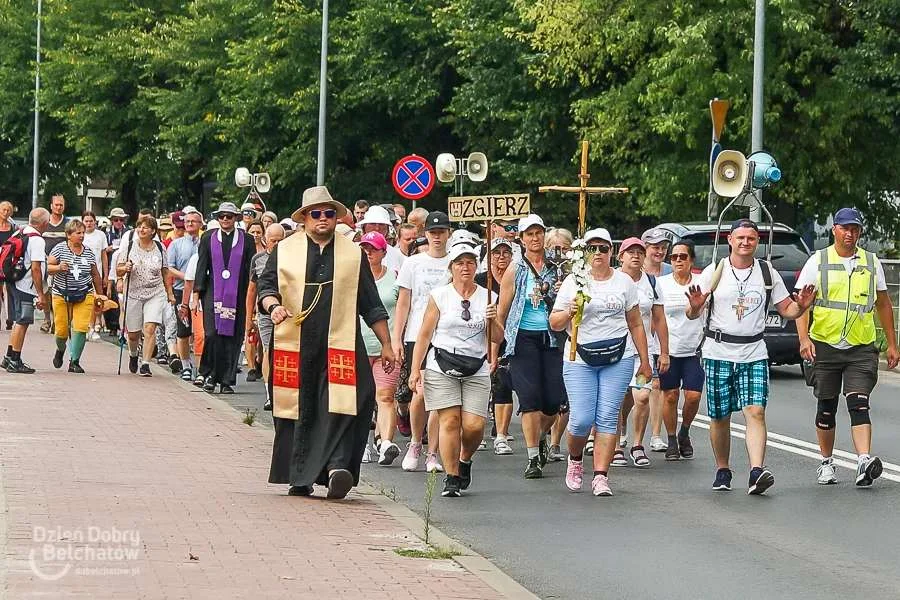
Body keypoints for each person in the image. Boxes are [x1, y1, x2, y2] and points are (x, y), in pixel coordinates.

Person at [259, 186, 394, 500]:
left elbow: (371, 304)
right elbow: (267, 286)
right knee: (297, 407)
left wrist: (387, 344)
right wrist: (272, 305)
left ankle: (337, 467)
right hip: (294, 342)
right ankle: (300, 476)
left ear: (336, 217)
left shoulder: (353, 254)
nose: (323, 219)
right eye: (316, 213)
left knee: (357, 396)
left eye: (329, 213)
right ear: (305, 218)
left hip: (340, 341)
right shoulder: (285, 250)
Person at [686, 218, 816, 494]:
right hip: (718, 350)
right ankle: (723, 469)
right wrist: (696, 307)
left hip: (754, 350)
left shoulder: (767, 273)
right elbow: (692, 312)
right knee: (720, 416)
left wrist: (802, 306)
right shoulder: (714, 271)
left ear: (757, 242)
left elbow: (787, 310)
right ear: (730, 240)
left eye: (752, 239)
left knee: (755, 411)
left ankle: (757, 471)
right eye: (741, 238)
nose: (746, 243)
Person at [795, 208, 899, 487]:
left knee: (858, 402)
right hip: (825, 344)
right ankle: (826, 462)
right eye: (845, 228)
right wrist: (804, 339)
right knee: (826, 407)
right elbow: (802, 305)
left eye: (855, 229)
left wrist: (892, 344)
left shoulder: (870, 262)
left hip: (860, 346)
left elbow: (883, 303)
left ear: (860, 232)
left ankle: (863, 460)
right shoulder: (818, 261)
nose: (850, 234)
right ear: (835, 230)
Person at [550, 227, 652, 496]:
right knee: (582, 419)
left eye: (603, 248)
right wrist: (569, 311)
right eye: (592, 248)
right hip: (580, 356)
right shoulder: (575, 282)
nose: (598, 253)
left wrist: (645, 360)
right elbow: (555, 322)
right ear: (584, 253)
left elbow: (636, 323)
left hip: (618, 356)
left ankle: (600, 476)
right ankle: (575, 459)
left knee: (608, 417)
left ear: (611, 252)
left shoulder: (624, 283)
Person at [409, 243, 504, 497]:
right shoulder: (440, 296)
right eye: (460, 263)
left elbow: (497, 337)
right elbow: (425, 334)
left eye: (470, 262)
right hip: (442, 364)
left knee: (473, 426)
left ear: (477, 266)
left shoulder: (488, 297)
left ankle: (464, 459)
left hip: (476, 366)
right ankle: (451, 477)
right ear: (451, 267)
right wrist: (415, 369)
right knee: (450, 421)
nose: (465, 267)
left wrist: (493, 319)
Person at [497, 214, 567, 479]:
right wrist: (498, 345)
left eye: (538, 233)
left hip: (552, 337)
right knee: (529, 399)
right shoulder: (516, 270)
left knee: (552, 401)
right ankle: (532, 457)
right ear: (522, 238)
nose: (535, 238)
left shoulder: (558, 266)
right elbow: (503, 311)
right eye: (529, 234)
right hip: (524, 337)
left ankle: (540, 438)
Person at [393, 212, 453, 473]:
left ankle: (432, 452)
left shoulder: (456, 261)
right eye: (432, 232)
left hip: (446, 337)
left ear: (448, 233)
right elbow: (404, 301)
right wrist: (396, 337)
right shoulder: (413, 263)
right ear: (425, 234)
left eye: (441, 232)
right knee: (418, 393)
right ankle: (416, 442)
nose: (437, 237)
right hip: (417, 334)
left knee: (438, 398)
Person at [614, 237, 669, 469]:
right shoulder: (612, 279)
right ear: (621, 256)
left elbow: (659, 318)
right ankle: (615, 446)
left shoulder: (652, 284)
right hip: (615, 350)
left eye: (639, 252)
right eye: (630, 252)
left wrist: (664, 352)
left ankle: (637, 444)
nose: (635, 256)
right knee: (617, 400)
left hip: (642, 352)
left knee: (642, 397)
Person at [193, 202, 256, 394]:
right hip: (213, 293)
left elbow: (251, 270)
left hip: (237, 293)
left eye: (229, 216)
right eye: (222, 216)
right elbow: (202, 267)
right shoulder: (207, 238)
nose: (225, 219)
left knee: (232, 337)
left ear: (236, 217)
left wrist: (253, 297)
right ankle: (209, 373)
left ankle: (226, 380)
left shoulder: (247, 240)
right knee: (212, 334)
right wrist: (196, 295)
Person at [657, 240, 705, 460]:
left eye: (682, 257)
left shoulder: (700, 283)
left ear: (691, 260)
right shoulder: (661, 284)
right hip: (668, 349)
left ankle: (684, 431)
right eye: (674, 257)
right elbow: (656, 318)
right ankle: (671, 440)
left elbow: (698, 312)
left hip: (694, 349)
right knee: (670, 396)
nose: (677, 260)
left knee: (693, 396)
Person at [358, 232, 402, 466]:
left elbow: (403, 312)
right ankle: (361, 444)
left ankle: (385, 443)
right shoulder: (352, 278)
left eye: (373, 249)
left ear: (384, 252)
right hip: (359, 345)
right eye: (365, 248)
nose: (368, 253)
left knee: (385, 396)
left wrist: (397, 342)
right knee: (361, 398)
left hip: (386, 348)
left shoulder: (394, 278)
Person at [116, 215, 176, 377]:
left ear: (153, 231)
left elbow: (165, 271)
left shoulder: (160, 247)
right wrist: (125, 269)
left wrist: (169, 293)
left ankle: (146, 363)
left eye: (146, 227)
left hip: (155, 292)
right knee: (134, 333)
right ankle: (134, 354)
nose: (141, 229)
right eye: (139, 226)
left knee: (150, 328)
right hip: (134, 292)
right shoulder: (129, 247)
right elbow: (118, 270)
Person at [46, 220, 105, 373]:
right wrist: (58, 267)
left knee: (80, 328)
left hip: (84, 293)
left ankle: (75, 361)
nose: (81, 236)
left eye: (83, 233)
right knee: (61, 331)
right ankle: (60, 349)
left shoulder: (88, 252)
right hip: (61, 294)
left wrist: (100, 295)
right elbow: (48, 267)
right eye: (78, 233)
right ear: (68, 235)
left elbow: (95, 275)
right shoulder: (59, 249)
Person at [476, 238, 515, 455]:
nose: (501, 257)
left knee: (503, 383)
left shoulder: (515, 279)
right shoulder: (481, 280)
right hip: (482, 337)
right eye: (496, 253)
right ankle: (478, 432)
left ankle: (501, 434)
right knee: (481, 385)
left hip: (509, 336)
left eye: (505, 252)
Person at [2, 208, 49, 373]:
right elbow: (36, 268)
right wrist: (41, 294)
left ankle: (9, 357)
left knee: (18, 321)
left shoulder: (20, 232)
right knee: (23, 322)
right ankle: (15, 360)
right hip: (25, 286)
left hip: (13, 282)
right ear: (44, 223)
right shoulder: (37, 240)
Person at [244, 223, 285, 411]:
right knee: (269, 349)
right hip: (265, 313)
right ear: (265, 240)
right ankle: (270, 393)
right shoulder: (258, 259)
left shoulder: (292, 257)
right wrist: (248, 319)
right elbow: (252, 290)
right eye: (273, 240)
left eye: (280, 240)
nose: (276, 244)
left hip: (287, 311)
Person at [641, 227, 673, 452]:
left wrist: (664, 348)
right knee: (629, 394)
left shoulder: (670, 271)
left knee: (657, 385)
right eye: (655, 247)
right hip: (636, 338)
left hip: (663, 338)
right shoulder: (633, 270)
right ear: (645, 249)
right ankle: (620, 430)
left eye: (663, 247)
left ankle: (655, 435)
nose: (659, 251)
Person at [544, 227, 574, 461]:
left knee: (566, 395)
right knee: (549, 394)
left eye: (564, 249)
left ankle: (555, 442)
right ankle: (542, 433)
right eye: (554, 249)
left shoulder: (577, 273)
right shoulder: (542, 270)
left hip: (567, 336)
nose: (559, 254)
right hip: (544, 335)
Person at [168, 210, 203, 380]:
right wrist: (187, 276)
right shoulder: (176, 244)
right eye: (187, 221)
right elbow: (169, 268)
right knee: (183, 330)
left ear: (200, 224)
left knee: (200, 332)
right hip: (181, 290)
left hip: (201, 291)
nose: (190, 224)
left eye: (193, 221)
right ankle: (185, 365)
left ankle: (200, 366)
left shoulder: (205, 243)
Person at [39, 194, 68, 334]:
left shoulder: (67, 224)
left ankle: (57, 321)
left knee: (58, 292)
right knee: (45, 291)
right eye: (56, 204)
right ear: (51, 206)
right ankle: (46, 320)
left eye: (61, 204)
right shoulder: (44, 223)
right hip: (44, 261)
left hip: (61, 263)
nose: (58, 207)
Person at [81, 212, 108, 340]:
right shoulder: (81, 235)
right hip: (82, 273)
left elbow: (104, 256)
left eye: (91, 221)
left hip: (97, 272)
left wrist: (106, 275)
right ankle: (87, 326)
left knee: (97, 299)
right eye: (86, 221)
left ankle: (95, 323)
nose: (89, 223)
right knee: (86, 299)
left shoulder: (101, 235)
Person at [357, 206, 405, 273]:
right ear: (364, 226)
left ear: (387, 228)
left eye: (381, 224)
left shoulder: (398, 256)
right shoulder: (354, 252)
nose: (377, 228)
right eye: (373, 224)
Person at [0, 201, 17, 330]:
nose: (5, 213)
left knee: (9, 290)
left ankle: (10, 318)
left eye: (8, 210)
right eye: (3, 210)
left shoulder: (12, 227)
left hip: (9, 262)